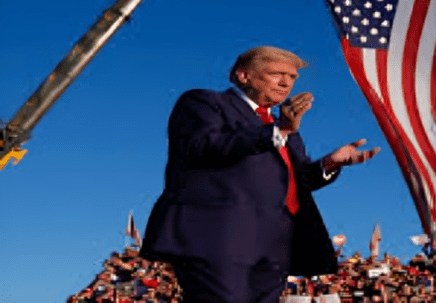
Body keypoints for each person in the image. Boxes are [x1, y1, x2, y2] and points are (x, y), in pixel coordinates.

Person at [140, 45, 380, 302]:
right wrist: (278, 131)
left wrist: (330, 163)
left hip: (276, 243)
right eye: (277, 73)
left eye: (292, 78)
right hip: (217, 236)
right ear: (244, 76)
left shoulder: (284, 128)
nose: (286, 82)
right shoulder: (205, 102)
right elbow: (202, 147)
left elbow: (296, 182)